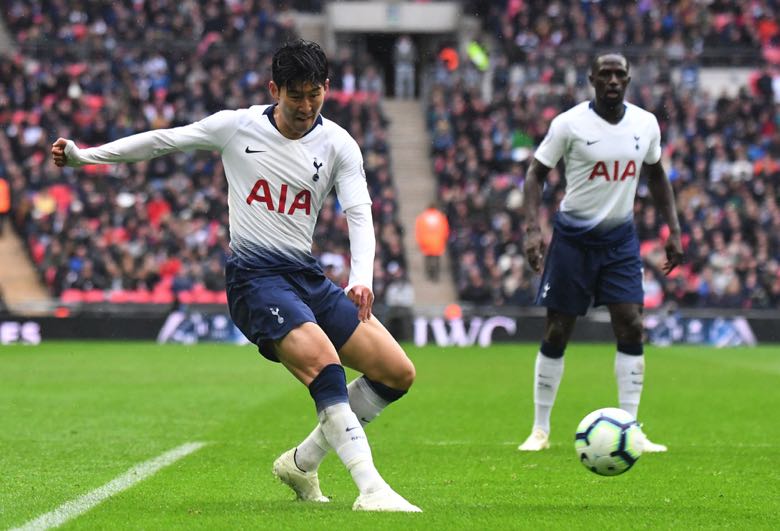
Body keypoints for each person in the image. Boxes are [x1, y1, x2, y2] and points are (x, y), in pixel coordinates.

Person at [51, 40, 421, 513]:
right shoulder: (236, 126)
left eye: (315, 94)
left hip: (306, 275)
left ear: (326, 89)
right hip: (255, 277)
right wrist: (85, 157)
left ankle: (302, 462)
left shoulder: (339, 144)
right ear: (274, 90)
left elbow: (360, 213)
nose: (306, 106)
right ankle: (372, 489)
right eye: (295, 96)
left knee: (396, 372)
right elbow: (163, 140)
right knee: (325, 364)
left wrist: (361, 276)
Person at [519, 53, 683, 453]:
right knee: (558, 329)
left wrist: (673, 230)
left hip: (620, 241)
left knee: (631, 324)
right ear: (592, 78)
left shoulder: (645, 124)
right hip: (572, 239)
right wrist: (531, 230)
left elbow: (657, 174)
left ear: (629, 79)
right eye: (605, 74)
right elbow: (535, 174)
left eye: (619, 74)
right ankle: (540, 429)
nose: (612, 80)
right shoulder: (569, 123)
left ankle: (632, 428)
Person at [414, 203, 449, 282]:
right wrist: (444, 239)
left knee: (428, 258)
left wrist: (419, 241)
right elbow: (445, 230)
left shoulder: (422, 217)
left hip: (426, 241)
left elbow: (418, 230)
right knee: (437, 259)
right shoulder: (440, 217)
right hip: (437, 241)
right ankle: (436, 274)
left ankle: (429, 273)